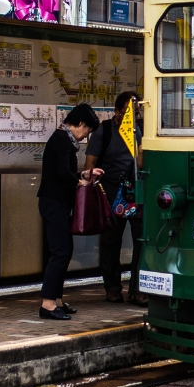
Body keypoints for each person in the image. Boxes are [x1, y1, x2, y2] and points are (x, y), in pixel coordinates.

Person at [39, 103, 100, 319]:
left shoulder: (62, 138)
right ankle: (47, 304)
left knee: (62, 251)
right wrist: (80, 182)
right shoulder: (63, 140)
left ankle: (56, 300)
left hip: (56, 202)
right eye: (87, 131)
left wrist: (83, 176)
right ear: (81, 124)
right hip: (55, 203)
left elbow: (65, 173)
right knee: (60, 252)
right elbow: (64, 173)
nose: (86, 136)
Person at [86, 91, 146, 304]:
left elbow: (140, 165)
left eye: (137, 114)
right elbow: (90, 163)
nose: (133, 118)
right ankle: (112, 288)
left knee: (141, 239)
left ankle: (137, 289)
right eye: (129, 113)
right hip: (111, 191)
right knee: (111, 241)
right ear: (117, 111)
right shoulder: (104, 131)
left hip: (136, 191)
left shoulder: (140, 130)